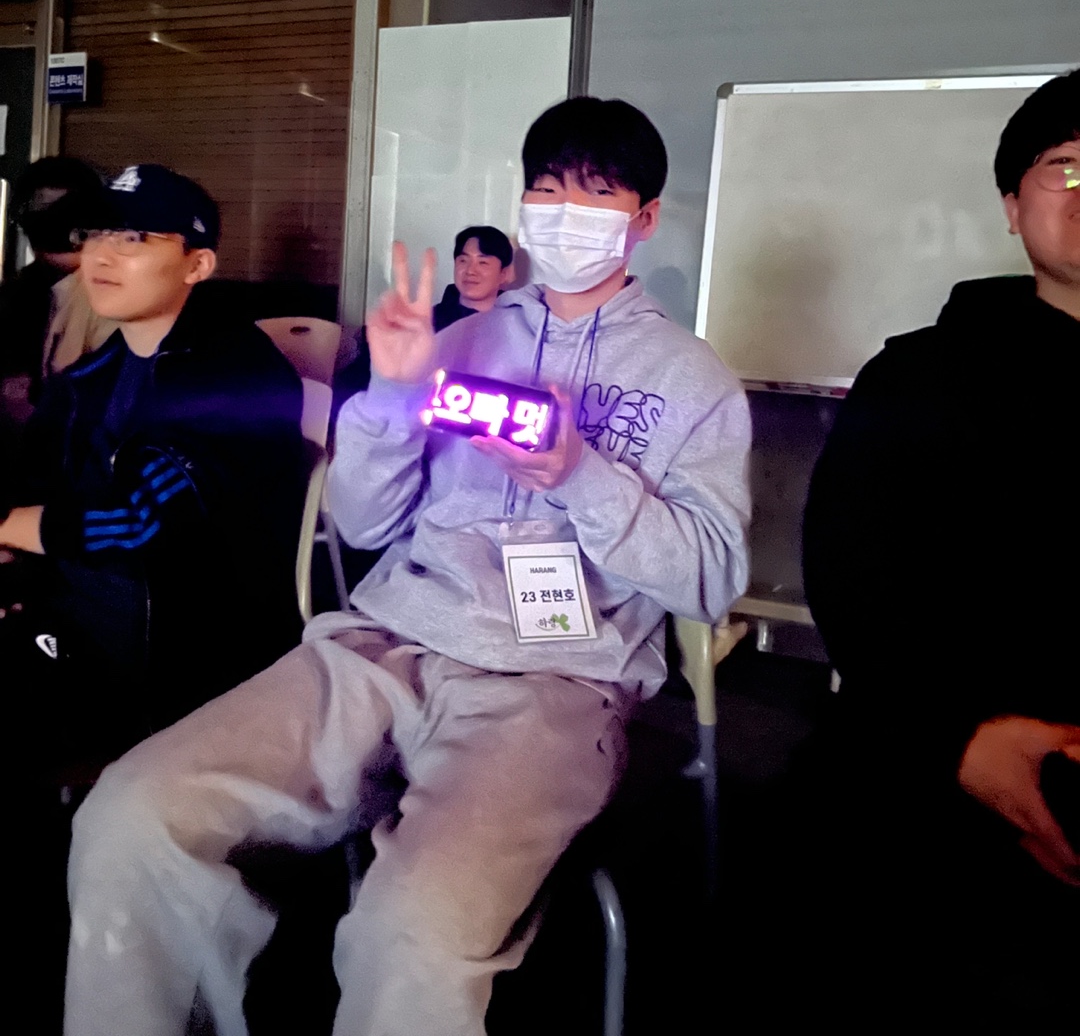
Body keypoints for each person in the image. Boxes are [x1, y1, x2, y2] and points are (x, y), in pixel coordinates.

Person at [63, 97, 752, 1036]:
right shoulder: (457, 344)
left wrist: (579, 474)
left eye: (597, 195)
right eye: (548, 190)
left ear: (645, 219)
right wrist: (391, 392)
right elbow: (365, 520)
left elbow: (710, 578)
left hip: (555, 682)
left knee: (412, 930)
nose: (566, 214)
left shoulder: (692, 380)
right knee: (131, 815)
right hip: (384, 644)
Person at [801, 70, 1080, 1017]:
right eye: (1065, 166)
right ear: (1011, 205)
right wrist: (960, 741)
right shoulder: (918, 376)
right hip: (935, 759)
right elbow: (851, 578)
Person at [0, 163, 307, 763]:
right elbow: (34, 478)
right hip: (66, 615)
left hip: (174, 653)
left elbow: (142, 523)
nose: (101, 254)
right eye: (95, 233)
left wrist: (8, 527)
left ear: (198, 265)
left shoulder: (237, 373)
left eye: (134, 237)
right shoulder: (93, 375)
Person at [333, 223, 515, 411]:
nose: (470, 270)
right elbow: (350, 388)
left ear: (504, 274)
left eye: (483, 262)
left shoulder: (514, 331)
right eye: (463, 260)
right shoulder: (423, 323)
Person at [0, 157, 114, 426]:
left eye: (70, 213)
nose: (57, 225)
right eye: (41, 213)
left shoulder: (119, 296)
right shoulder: (13, 296)